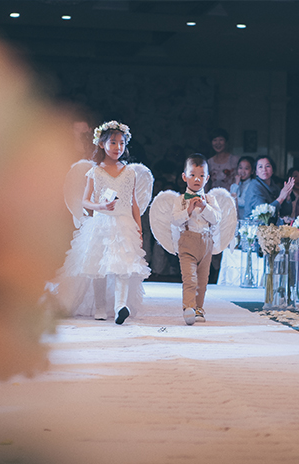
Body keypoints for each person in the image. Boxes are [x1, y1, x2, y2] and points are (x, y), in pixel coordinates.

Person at [53, 121, 151, 324]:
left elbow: (133, 202)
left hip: (124, 224)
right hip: (101, 223)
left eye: (121, 143)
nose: (118, 147)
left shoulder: (129, 172)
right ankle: (100, 306)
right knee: (98, 265)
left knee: (123, 265)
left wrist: (139, 229)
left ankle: (120, 306)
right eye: (113, 142)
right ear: (101, 144)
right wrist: (100, 206)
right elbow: (85, 200)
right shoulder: (95, 172)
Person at [171, 154, 222, 325]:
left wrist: (205, 207)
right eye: (192, 175)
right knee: (190, 278)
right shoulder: (180, 200)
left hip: (206, 243)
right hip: (187, 241)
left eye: (201, 176)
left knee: (202, 280)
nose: (197, 179)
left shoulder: (210, 200)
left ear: (207, 178)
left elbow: (216, 218)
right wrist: (188, 210)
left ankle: (199, 308)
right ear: (184, 177)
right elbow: (175, 220)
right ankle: (188, 308)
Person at [243, 156, 294, 221]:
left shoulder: (275, 187)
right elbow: (263, 214)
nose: (264, 169)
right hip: (253, 224)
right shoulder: (254, 187)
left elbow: (285, 213)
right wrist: (281, 198)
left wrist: (287, 197)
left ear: (273, 170)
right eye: (260, 167)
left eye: (267, 166)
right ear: (256, 172)